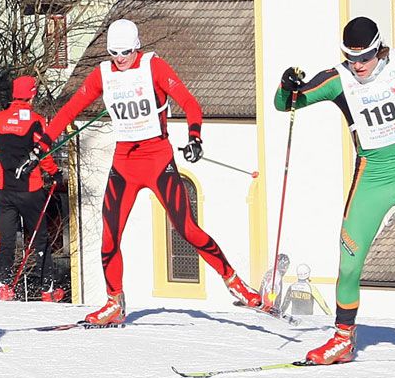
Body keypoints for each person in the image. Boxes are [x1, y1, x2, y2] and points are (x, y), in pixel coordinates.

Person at [41, 17, 261, 325]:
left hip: (157, 160)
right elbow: (70, 108)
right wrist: (46, 139)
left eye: (125, 53)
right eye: (114, 53)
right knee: (109, 237)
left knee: (187, 229)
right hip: (124, 165)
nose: (119, 60)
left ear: (137, 46)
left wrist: (195, 136)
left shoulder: (153, 67)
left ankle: (236, 283)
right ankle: (114, 302)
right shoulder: (103, 74)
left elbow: (189, 103)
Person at [276, 14, 395, 364]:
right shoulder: (338, 79)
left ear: (379, 49)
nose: (358, 65)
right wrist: (286, 84)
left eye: (365, 57)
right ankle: (342, 339)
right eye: (351, 57)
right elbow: (286, 103)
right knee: (349, 264)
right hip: (372, 178)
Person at [0, 76, 57, 298]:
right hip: (30, 189)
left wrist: (1, 151)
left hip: (4, 188)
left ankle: (4, 286)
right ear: (32, 94)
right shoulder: (36, 120)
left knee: (7, 239)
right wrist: (54, 173)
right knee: (38, 238)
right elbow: (44, 151)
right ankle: (47, 289)